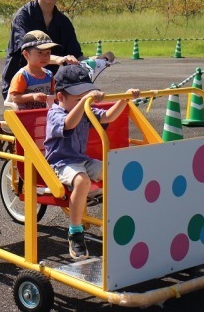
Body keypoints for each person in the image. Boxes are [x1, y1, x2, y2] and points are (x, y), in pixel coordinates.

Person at [44, 64, 140, 260]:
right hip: (60, 163)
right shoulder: (55, 114)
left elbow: (107, 117)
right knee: (82, 181)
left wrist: (124, 99)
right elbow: (69, 123)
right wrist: (85, 102)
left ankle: (115, 221)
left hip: (81, 160)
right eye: (78, 98)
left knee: (115, 171)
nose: (84, 101)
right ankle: (75, 232)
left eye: (85, 95)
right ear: (60, 97)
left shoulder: (84, 108)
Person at [1, 0, 85, 100]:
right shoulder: (23, 17)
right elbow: (30, 53)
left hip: (51, 89)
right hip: (21, 90)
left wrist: (100, 60)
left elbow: (77, 56)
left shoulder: (63, 22)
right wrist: (59, 59)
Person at [5, 30, 59, 110]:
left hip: (46, 113)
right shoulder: (22, 76)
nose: (45, 56)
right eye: (40, 53)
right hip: (27, 115)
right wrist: (32, 96)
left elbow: (53, 94)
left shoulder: (49, 74)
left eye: (48, 53)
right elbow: (15, 98)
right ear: (26, 54)